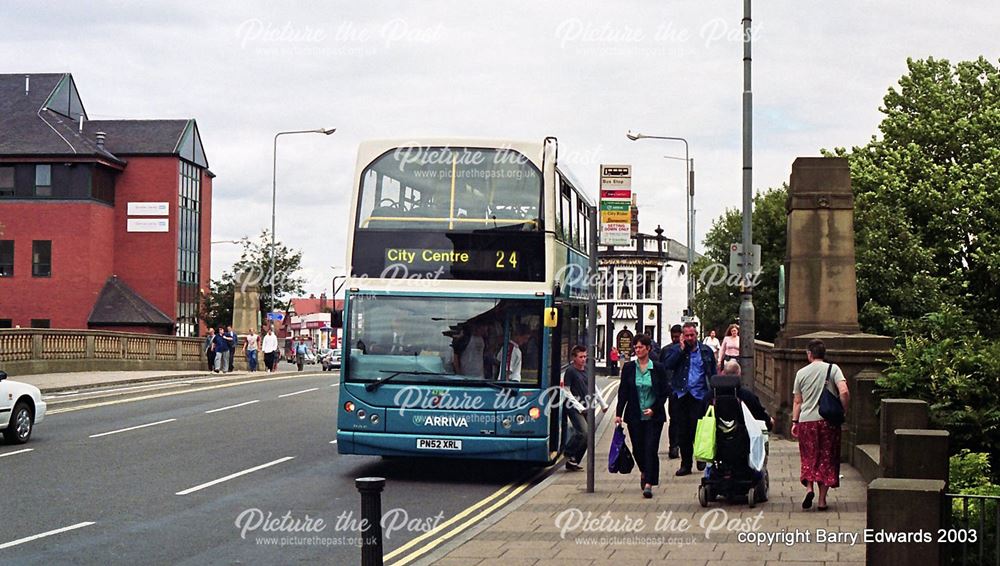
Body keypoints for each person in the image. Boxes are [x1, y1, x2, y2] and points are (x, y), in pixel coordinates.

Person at [792, 339, 849, 511]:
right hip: (828, 421)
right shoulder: (834, 369)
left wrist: (795, 421)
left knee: (809, 456)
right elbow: (844, 391)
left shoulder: (801, 373)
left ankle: (809, 488)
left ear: (809, 354)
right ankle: (822, 501)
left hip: (807, 421)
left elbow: (797, 401)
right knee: (826, 458)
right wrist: (842, 410)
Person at [614, 334, 670, 498]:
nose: (637, 350)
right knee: (638, 449)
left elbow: (664, 392)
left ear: (648, 348)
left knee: (651, 448)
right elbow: (623, 392)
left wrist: (654, 408)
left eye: (640, 347)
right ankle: (644, 471)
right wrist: (618, 414)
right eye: (635, 347)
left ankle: (649, 483)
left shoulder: (658, 368)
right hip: (634, 415)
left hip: (654, 416)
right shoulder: (629, 368)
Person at [662, 322, 717, 476]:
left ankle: (700, 456)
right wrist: (680, 350)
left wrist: (714, 394)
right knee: (683, 431)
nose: (689, 338)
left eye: (692, 335)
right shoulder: (675, 350)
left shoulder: (706, 351)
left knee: (699, 430)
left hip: (700, 396)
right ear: (682, 336)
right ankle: (686, 464)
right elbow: (668, 365)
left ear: (697, 335)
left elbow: (713, 373)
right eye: (686, 336)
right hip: (681, 394)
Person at [563, 345, 609, 470]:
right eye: (581, 357)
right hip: (573, 407)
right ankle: (567, 452)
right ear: (574, 358)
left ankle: (574, 461)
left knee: (589, 435)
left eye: (585, 356)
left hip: (587, 406)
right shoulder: (571, 371)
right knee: (583, 432)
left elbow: (594, 387)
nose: (583, 359)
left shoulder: (587, 369)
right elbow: (566, 391)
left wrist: (603, 403)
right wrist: (579, 407)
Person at [721, 360, 774, 431]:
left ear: (723, 373)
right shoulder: (747, 396)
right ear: (739, 374)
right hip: (742, 436)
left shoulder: (711, 396)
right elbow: (759, 415)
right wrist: (769, 421)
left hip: (716, 435)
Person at [661, 324, 683, 460]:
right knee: (674, 419)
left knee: (685, 419)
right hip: (672, 389)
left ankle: (682, 444)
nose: (675, 339)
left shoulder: (686, 350)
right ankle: (673, 446)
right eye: (673, 336)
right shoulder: (666, 350)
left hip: (685, 389)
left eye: (677, 336)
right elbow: (661, 369)